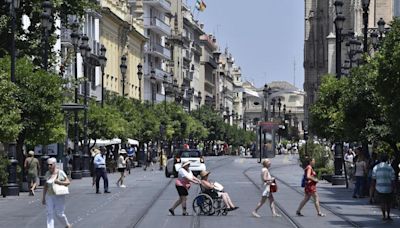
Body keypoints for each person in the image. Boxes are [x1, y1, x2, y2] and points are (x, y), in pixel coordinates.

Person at [42, 157, 72, 228]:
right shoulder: (47, 173)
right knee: (49, 213)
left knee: (59, 213)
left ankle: (66, 225)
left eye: (51, 164)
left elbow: (68, 182)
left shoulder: (60, 172)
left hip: (59, 195)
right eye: (48, 165)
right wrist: (43, 197)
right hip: (49, 195)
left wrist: (59, 182)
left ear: (55, 164)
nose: (49, 166)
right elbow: (45, 185)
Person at [372, 154, 395, 221]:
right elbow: (393, 179)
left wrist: (373, 188)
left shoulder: (376, 167)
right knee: (388, 202)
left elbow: (374, 178)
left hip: (379, 187)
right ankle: (388, 215)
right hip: (388, 188)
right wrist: (394, 188)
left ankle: (384, 216)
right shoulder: (390, 168)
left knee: (382, 202)